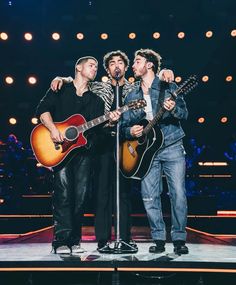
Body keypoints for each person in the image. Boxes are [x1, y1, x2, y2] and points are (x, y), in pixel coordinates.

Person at [50, 50, 174, 254]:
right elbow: (77, 80)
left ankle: (125, 237)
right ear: (107, 69)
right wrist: (61, 78)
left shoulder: (135, 88)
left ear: (126, 68)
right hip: (101, 144)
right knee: (102, 192)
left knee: (124, 191)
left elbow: (154, 81)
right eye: (112, 63)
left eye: (120, 63)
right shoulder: (98, 87)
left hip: (127, 143)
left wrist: (166, 71)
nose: (116, 66)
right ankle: (102, 240)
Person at [35, 56, 120, 254]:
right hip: (60, 151)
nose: (95, 69)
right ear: (78, 68)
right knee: (63, 195)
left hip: (84, 153)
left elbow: (98, 133)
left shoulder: (96, 100)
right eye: (91, 65)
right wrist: (52, 130)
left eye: (97, 67)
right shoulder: (61, 88)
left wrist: (110, 122)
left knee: (80, 198)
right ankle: (61, 241)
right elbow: (42, 110)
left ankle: (74, 240)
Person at [121, 48, 189, 255]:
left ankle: (179, 239)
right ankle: (158, 238)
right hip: (147, 152)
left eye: (138, 61)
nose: (133, 64)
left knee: (178, 194)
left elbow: (184, 113)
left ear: (149, 64)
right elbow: (123, 125)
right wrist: (130, 130)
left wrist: (173, 109)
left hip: (172, 145)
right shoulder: (132, 94)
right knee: (149, 196)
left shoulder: (168, 85)